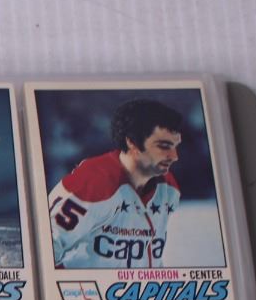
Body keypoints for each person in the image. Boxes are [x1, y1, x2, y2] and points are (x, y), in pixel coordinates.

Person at [46, 97, 186, 269]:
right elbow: (45, 248)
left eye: (175, 146)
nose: (174, 156)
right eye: (164, 146)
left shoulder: (169, 187)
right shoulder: (93, 183)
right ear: (132, 142)